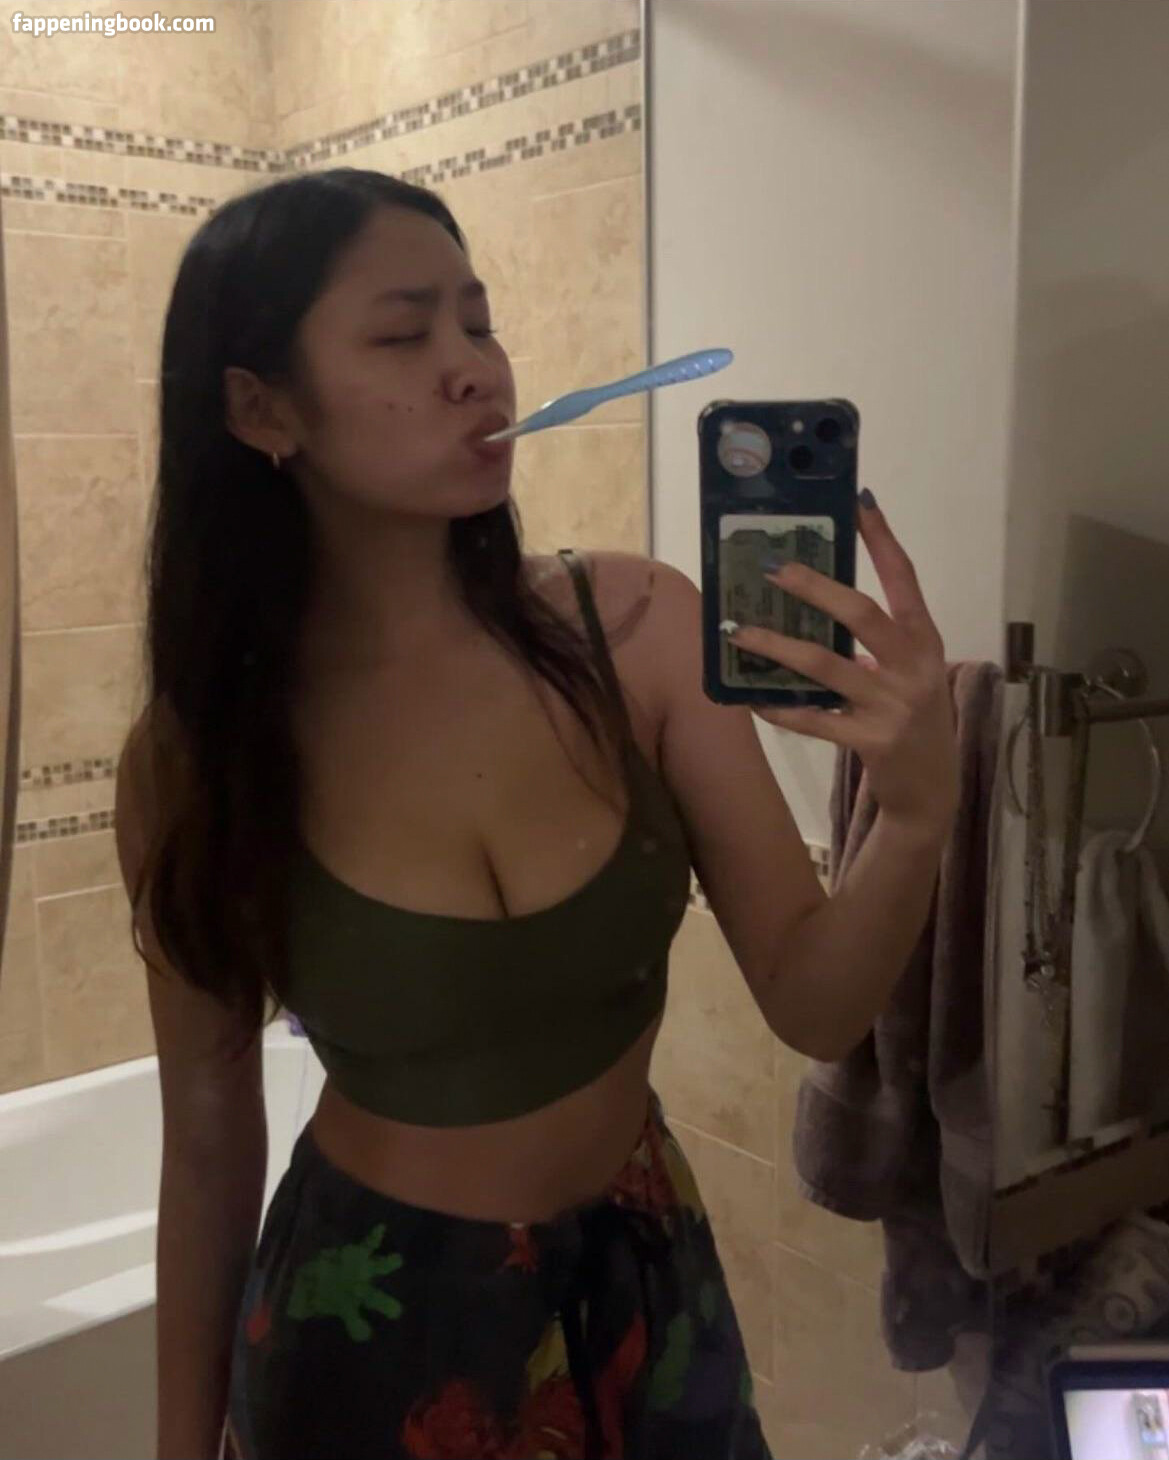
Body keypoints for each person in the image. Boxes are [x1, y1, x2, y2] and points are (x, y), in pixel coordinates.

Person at [114, 168, 960, 1460]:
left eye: (479, 321)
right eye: (405, 334)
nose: (473, 368)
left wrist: (914, 811)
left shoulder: (641, 629)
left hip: (643, 1276)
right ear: (260, 407)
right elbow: (207, 1144)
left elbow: (815, 1002)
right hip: (371, 1318)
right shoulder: (203, 753)